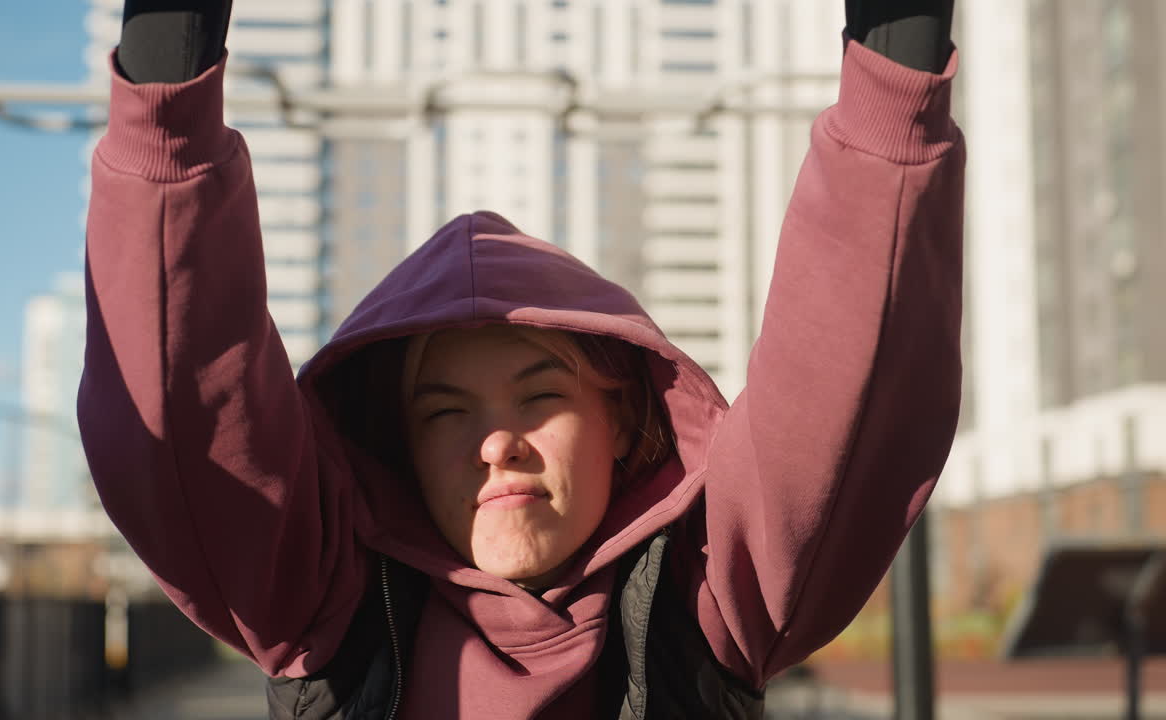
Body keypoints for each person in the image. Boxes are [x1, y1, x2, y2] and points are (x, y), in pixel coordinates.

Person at [79, 1, 962, 718]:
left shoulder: (708, 595)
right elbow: (183, 408)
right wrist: (168, 74)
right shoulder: (327, 604)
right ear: (400, 448)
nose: (496, 442)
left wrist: (896, 67)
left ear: (622, 419)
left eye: (538, 395)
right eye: (444, 411)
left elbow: (845, 384)